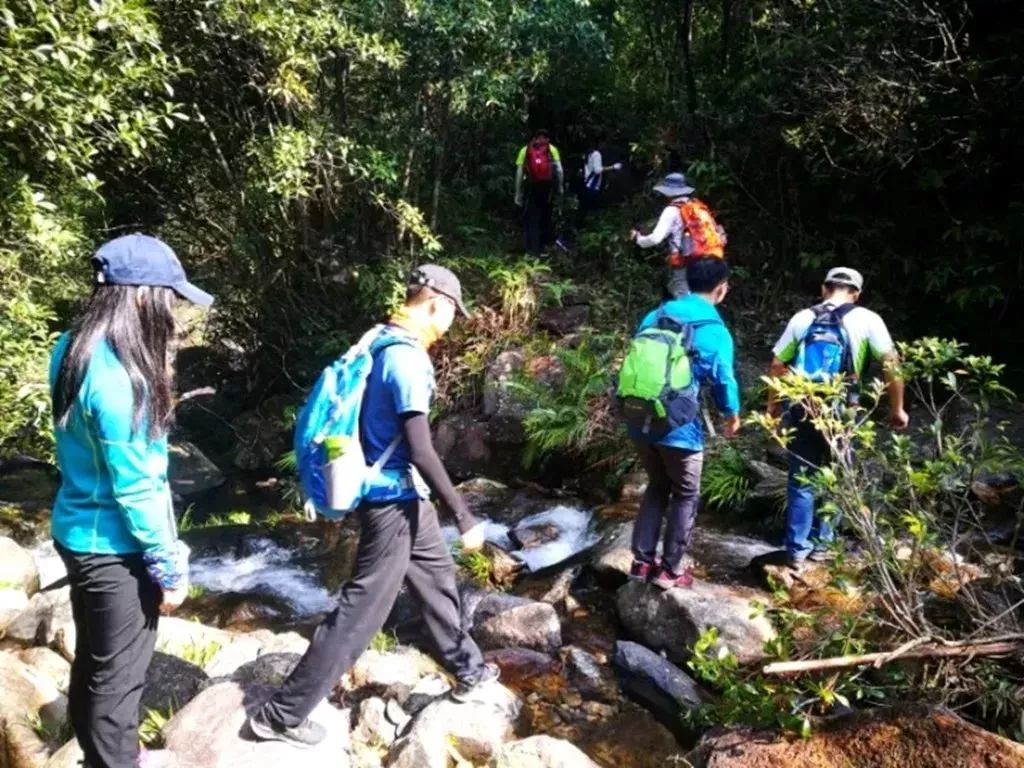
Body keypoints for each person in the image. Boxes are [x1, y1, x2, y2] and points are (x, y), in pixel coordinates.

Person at [250, 265, 499, 748]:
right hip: (389, 501)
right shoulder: (406, 359)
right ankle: (280, 716)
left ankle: (469, 669)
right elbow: (422, 449)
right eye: (451, 313)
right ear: (435, 304)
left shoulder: (375, 339)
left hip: (404, 497)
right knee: (362, 611)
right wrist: (464, 515)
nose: (451, 324)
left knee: (437, 578)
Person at [50, 234, 212, 768]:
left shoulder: (70, 349)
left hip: (76, 531)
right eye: (170, 297)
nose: (173, 312)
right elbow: (138, 487)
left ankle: (92, 754)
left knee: (95, 664)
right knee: (120, 683)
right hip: (116, 548)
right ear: (142, 296)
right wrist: (168, 567)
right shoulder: (121, 379)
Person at [764, 267, 909, 567]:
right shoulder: (869, 320)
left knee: (802, 478)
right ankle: (823, 545)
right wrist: (897, 408)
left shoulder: (803, 318)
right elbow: (891, 365)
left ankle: (796, 551)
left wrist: (773, 406)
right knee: (837, 477)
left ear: (824, 289)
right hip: (843, 409)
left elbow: (778, 364)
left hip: (803, 405)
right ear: (856, 294)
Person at [627, 258, 741, 589]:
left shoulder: (657, 314)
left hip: (639, 417)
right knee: (686, 492)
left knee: (657, 484)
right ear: (722, 287)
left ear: (688, 282)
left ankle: (641, 563)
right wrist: (731, 415)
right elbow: (722, 378)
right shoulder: (714, 329)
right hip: (679, 425)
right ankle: (671, 570)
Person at [629, 172, 725, 297]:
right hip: (707, 261)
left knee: (683, 298)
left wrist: (639, 239)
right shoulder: (698, 206)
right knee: (701, 298)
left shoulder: (672, 210)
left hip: (684, 262)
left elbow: (655, 238)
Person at [515, 129, 564, 255]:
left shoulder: (526, 150)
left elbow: (519, 172)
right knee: (546, 215)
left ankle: (532, 249)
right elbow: (559, 170)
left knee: (532, 217)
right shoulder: (552, 149)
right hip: (548, 188)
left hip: (532, 186)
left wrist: (518, 193)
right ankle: (543, 248)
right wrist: (560, 188)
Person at [577, 133, 622, 227]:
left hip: (585, 184)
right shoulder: (597, 154)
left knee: (583, 211)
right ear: (601, 142)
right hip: (592, 186)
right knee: (590, 211)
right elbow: (597, 170)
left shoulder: (589, 153)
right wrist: (613, 167)